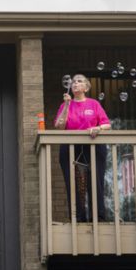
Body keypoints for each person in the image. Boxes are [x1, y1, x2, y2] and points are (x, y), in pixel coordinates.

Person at [54, 74, 111, 222]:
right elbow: (59, 127)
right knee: (74, 182)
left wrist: (98, 128)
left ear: (86, 87)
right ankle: (78, 218)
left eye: (79, 81)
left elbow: (107, 124)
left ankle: (98, 217)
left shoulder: (94, 104)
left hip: (93, 146)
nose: (75, 83)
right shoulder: (65, 105)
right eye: (73, 82)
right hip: (71, 146)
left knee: (95, 180)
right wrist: (66, 105)